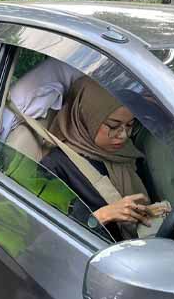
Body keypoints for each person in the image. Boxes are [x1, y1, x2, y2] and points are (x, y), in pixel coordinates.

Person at [35, 76, 153, 241]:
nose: (123, 135)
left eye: (129, 125)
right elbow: (45, 235)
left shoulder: (129, 154)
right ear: (85, 117)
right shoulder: (55, 167)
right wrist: (103, 215)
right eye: (113, 126)